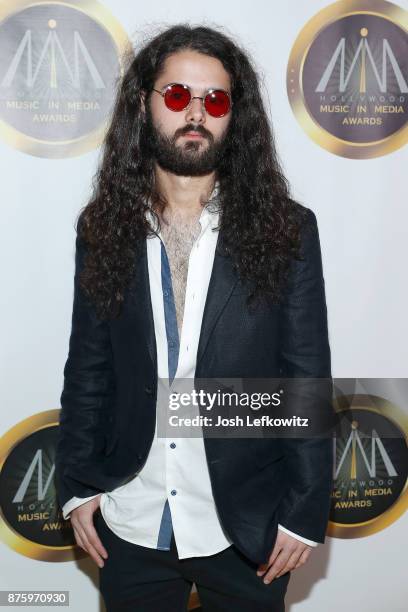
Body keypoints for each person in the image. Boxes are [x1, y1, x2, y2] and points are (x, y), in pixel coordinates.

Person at [55, 24, 333, 612]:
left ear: (237, 117)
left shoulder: (287, 231)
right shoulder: (102, 228)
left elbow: (305, 377)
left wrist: (305, 512)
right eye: (178, 96)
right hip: (130, 520)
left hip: (246, 526)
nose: (196, 115)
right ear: (143, 105)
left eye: (217, 101)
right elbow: (89, 367)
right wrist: (78, 487)